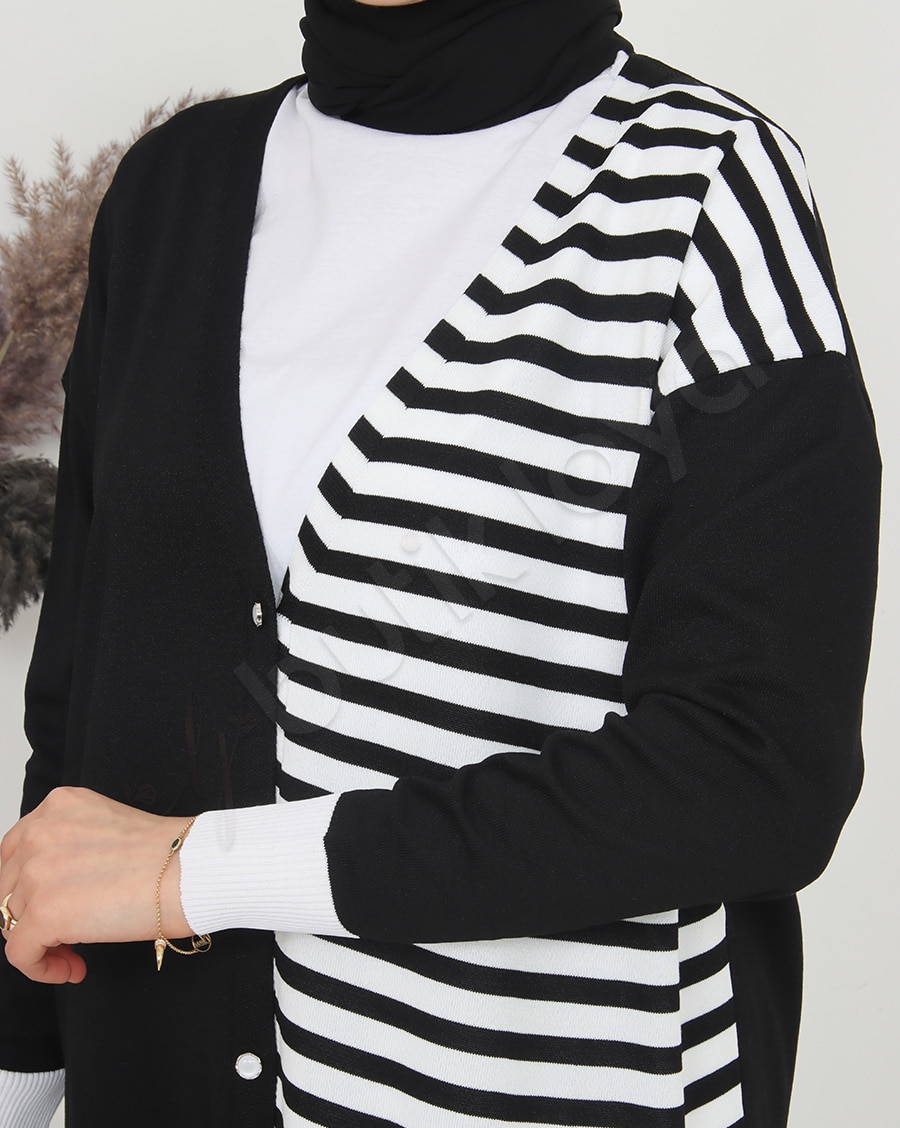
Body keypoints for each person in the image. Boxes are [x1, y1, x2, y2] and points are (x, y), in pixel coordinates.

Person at [0, 0, 882, 1125]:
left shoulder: (699, 190)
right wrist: (21, 1065)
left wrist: (200, 871)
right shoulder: (173, 188)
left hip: (541, 1082)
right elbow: (81, 701)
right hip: (160, 1076)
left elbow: (758, 774)